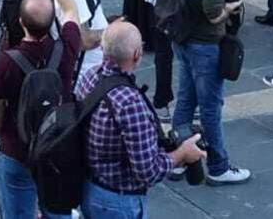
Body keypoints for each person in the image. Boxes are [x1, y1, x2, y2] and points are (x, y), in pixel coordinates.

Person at [0, 0, 82, 219]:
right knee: (58, 210)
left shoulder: (6, 61)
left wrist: (5, 136)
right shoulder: (67, 48)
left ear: (20, 22)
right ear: (52, 22)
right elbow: (71, 9)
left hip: (16, 150)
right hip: (56, 147)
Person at [77, 21, 204, 217]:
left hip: (91, 188)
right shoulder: (130, 103)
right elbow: (148, 171)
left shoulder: (89, 77)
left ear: (102, 48)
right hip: (119, 200)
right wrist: (182, 154)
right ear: (137, 54)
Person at [168, 0, 251, 185]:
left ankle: (178, 158)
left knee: (185, 99)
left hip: (181, 38)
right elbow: (214, 15)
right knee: (211, 107)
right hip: (204, 45)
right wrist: (232, 6)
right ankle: (218, 166)